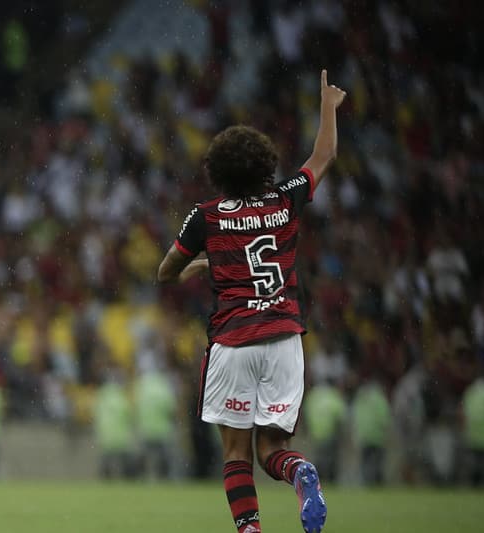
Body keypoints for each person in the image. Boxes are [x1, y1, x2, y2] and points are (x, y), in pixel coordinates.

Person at [158, 69, 345, 533]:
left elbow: (164, 273)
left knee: (237, 453)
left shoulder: (204, 216)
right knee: (272, 451)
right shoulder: (285, 202)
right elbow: (325, 155)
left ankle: (250, 529)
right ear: (265, 165)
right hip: (284, 337)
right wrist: (327, 106)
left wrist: (200, 264)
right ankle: (300, 472)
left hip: (233, 340)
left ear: (217, 172)